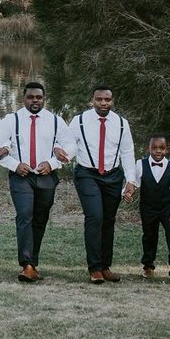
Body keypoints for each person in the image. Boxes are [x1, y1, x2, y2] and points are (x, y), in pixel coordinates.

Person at [0, 81, 68, 283]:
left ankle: (33, 262)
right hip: (21, 176)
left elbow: (70, 147)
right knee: (24, 215)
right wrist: (14, 164)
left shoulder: (55, 121)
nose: (35, 101)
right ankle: (27, 265)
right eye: (31, 97)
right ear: (24, 98)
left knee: (40, 219)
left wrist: (52, 162)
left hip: (46, 176)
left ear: (44, 99)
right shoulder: (11, 120)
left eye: (38, 97)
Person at [55, 85, 136, 283]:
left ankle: (105, 266)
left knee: (108, 220)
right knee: (95, 217)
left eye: (107, 100)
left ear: (112, 101)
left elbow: (127, 152)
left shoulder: (122, 124)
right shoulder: (80, 120)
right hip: (87, 174)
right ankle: (94, 268)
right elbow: (70, 142)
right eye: (99, 99)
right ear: (92, 100)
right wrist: (61, 151)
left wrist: (131, 181)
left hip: (113, 176)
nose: (103, 103)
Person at [125, 135, 170, 286]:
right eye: (154, 148)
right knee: (149, 236)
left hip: (168, 208)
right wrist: (127, 192)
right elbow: (133, 182)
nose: (158, 151)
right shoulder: (140, 164)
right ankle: (148, 265)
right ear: (149, 149)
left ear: (167, 150)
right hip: (148, 208)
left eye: (161, 148)